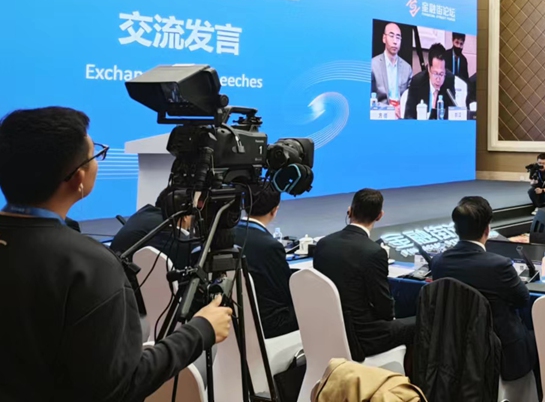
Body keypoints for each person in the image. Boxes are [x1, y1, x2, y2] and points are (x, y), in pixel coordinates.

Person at [0, 106, 232, 402]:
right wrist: (201, 331)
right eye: (95, 154)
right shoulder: (90, 266)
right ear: (77, 178)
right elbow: (119, 386)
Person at [431, 197, 535, 382]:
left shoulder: (439, 262)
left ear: (456, 229)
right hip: (501, 351)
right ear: (487, 229)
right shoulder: (499, 265)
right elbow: (522, 299)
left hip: (454, 347)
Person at [311, 188, 414, 360]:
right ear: (380, 215)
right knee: (424, 322)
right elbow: (384, 309)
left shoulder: (323, 244)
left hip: (327, 329)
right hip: (363, 337)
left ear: (350, 211)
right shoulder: (374, 252)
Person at [232, 185, 297, 339]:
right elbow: (285, 292)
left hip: (234, 315)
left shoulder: (226, 234)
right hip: (268, 322)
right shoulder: (270, 246)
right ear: (275, 210)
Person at [109, 186, 194, 270]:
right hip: (123, 276)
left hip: (112, 270)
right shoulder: (163, 228)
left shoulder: (146, 212)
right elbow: (188, 252)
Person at [403, 44, 456, 120]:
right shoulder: (417, 82)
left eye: (441, 74)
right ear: (429, 69)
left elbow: (451, 113)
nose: (438, 79)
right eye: (435, 73)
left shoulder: (449, 79)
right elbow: (408, 116)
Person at [371, 22, 412, 103]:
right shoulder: (373, 65)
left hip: (401, 112)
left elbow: (411, 97)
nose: (395, 41)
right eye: (391, 36)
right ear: (384, 38)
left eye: (398, 37)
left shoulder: (407, 68)